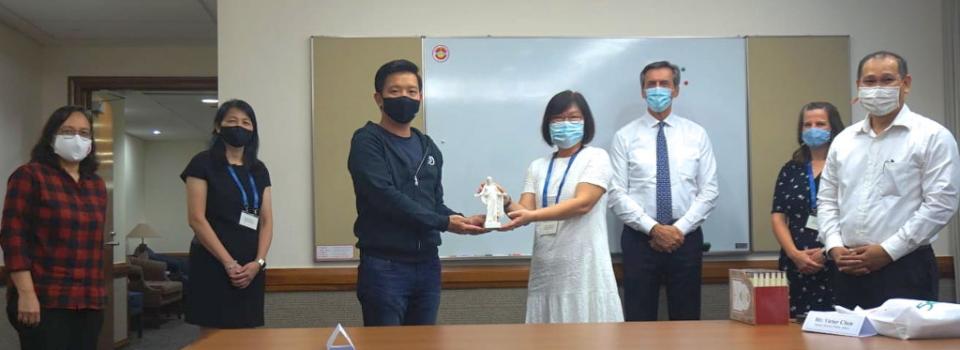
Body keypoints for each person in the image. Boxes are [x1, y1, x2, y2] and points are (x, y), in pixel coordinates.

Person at [347, 59, 486, 326]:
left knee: (424, 342)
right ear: (379, 98)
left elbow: (434, 204)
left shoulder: (428, 146)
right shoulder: (367, 141)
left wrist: (461, 219)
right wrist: (445, 223)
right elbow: (385, 197)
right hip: (385, 266)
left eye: (412, 91)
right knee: (386, 346)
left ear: (420, 97)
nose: (405, 97)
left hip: (428, 265)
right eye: (395, 91)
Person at [818, 51, 960, 309]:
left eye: (887, 80)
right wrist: (834, 246)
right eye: (870, 82)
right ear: (859, 87)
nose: (877, 88)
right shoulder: (844, 140)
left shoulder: (932, 136)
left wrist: (888, 251)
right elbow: (827, 200)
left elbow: (941, 205)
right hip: (847, 267)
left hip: (905, 266)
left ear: (906, 84)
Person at [495, 90, 623, 323]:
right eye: (558, 119)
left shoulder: (596, 158)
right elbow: (521, 211)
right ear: (548, 124)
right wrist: (503, 200)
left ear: (586, 122)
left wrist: (531, 215)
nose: (565, 124)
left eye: (573, 118)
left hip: (585, 270)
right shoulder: (538, 166)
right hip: (547, 271)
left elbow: (583, 203)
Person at [609, 60, 719, 321]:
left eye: (664, 84)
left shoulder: (696, 134)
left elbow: (709, 190)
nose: (658, 90)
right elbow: (616, 193)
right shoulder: (624, 137)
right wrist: (654, 229)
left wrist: (677, 230)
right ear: (642, 91)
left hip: (686, 237)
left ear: (676, 90)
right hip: (639, 239)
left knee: (687, 318)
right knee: (638, 318)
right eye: (651, 84)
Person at [1, 106, 106, 349]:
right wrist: (26, 294)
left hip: (89, 300)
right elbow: (13, 238)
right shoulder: (30, 176)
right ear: (51, 136)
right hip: (45, 298)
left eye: (84, 132)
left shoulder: (96, 185)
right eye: (67, 131)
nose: (77, 138)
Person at [181, 99, 274, 329]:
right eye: (231, 121)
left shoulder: (258, 169)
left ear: (253, 130)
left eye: (246, 122)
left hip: (250, 269)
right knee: (214, 338)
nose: (239, 127)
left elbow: (266, 221)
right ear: (218, 126)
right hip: (214, 265)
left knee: (249, 337)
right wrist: (229, 263)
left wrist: (258, 263)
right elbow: (196, 218)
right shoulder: (202, 163)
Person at [771, 102, 844, 317]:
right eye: (807, 124)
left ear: (834, 128)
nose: (813, 129)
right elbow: (778, 216)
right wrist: (795, 254)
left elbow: (855, 215)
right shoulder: (791, 169)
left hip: (836, 260)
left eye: (820, 124)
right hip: (795, 264)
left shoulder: (846, 164)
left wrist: (826, 252)